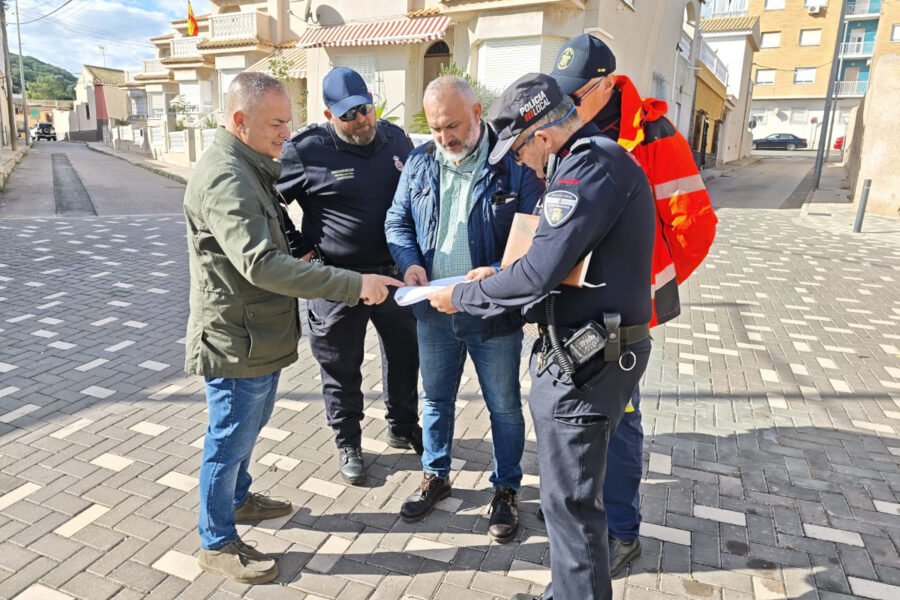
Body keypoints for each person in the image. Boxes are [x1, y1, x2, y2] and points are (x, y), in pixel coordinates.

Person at [428, 73, 655, 600]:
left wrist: (459, 297)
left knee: (569, 507)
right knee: (569, 501)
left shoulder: (587, 169)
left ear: (543, 137)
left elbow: (536, 275)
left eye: (518, 149)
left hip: (589, 363)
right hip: (589, 352)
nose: (520, 161)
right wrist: (494, 276)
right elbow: (548, 264)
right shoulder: (591, 163)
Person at [183, 72, 402, 584]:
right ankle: (216, 541)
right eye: (277, 123)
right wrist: (350, 283)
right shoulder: (226, 177)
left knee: (248, 429)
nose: (287, 132)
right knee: (229, 437)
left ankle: (239, 499)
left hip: (258, 332)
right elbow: (260, 264)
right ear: (240, 121)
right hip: (237, 336)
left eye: (288, 121)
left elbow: (279, 230)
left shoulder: (250, 165)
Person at [550, 34, 717, 576]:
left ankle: (622, 532)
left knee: (621, 423)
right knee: (583, 422)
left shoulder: (654, 135)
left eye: (577, 96)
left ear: (605, 85)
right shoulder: (568, 129)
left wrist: (641, 286)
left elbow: (695, 224)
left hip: (623, 316)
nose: (568, 104)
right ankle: (582, 517)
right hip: (573, 309)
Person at [384, 76, 543, 542]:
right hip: (433, 309)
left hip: (491, 312)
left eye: (452, 125)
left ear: (477, 113)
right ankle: (436, 474)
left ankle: (506, 490)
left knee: (504, 407)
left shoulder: (513, 164)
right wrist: (410, 263)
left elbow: (534, 238)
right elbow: (397, 220)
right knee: (435, 400)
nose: (445, 138)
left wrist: (497, 270)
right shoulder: (418, 163)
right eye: (435, 129)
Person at [276, 67, 422, 486]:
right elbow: (270, 200)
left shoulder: (396, 138)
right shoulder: (305, 150)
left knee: (405, 355)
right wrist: (297, 247)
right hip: (336, 281)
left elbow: (415, 194)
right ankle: (349, 440)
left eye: (365, 109)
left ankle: (403, 424)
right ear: (328, 114)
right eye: (348, 115)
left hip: (392, 275)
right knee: (341, 366)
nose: (361, 120)